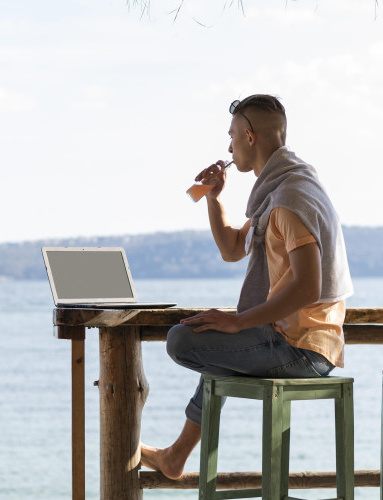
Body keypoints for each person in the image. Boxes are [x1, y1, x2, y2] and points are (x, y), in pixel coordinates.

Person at [139, 94, 354, 480]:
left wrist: (238, 322)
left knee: (182, 340)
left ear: (250, 137)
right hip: (292, 339)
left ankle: (176, 454)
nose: (228, 146)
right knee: (209, 335)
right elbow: (233, 249)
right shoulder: (280, 191)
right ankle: (175, 456)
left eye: (232, 136)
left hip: (304, 349)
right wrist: (214, 198)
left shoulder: (289, 200)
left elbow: (308, 287)